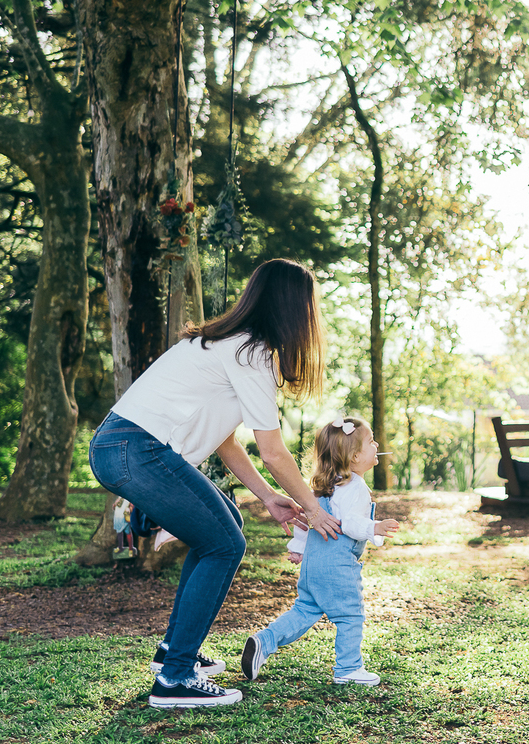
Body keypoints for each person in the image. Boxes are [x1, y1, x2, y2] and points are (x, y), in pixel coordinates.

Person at [88, 259, 343, 709]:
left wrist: (267, 496)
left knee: (224, 528)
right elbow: (274, 451)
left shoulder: (228, 345)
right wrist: (315, 507)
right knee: (225, 544)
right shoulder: (251, 352)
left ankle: (173, 652)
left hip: (126, 446)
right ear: (293, 307)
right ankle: (175, 680)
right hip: (136, 448)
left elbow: (225, 438)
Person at [241, 416, 399, 686]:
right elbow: (349, 524)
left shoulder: (322, 487)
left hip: (313, 566)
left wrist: (299, 549)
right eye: (371, 441)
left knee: (304, 610)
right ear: (355, 456)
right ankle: (348, 668)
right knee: (350, 615)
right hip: (337, 567)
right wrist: (374, 527)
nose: (377, 446)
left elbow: (307, 520)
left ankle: (264, 641)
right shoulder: (356, 488)